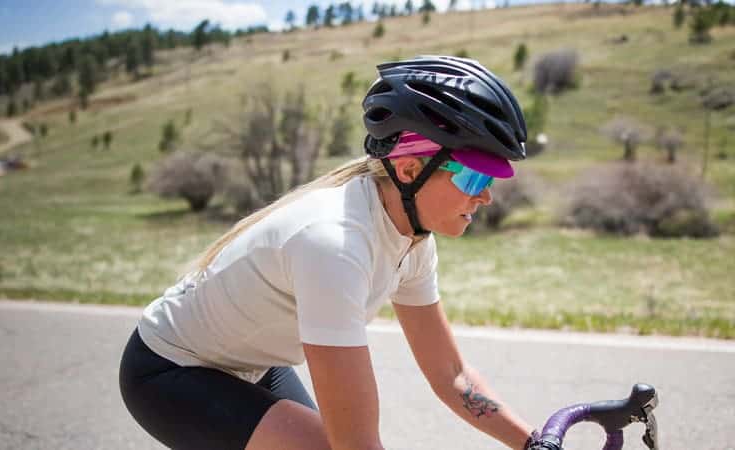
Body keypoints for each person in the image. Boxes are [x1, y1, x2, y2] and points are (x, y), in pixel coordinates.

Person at [119, 55, 541, 450]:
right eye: (472, 178)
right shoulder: (334, 245)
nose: (486, 196)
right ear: (410, 169)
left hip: (253, 363)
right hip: (170, 369)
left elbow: (453, 376)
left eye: (492, 178)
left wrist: (533, 443)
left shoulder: (412, 239)